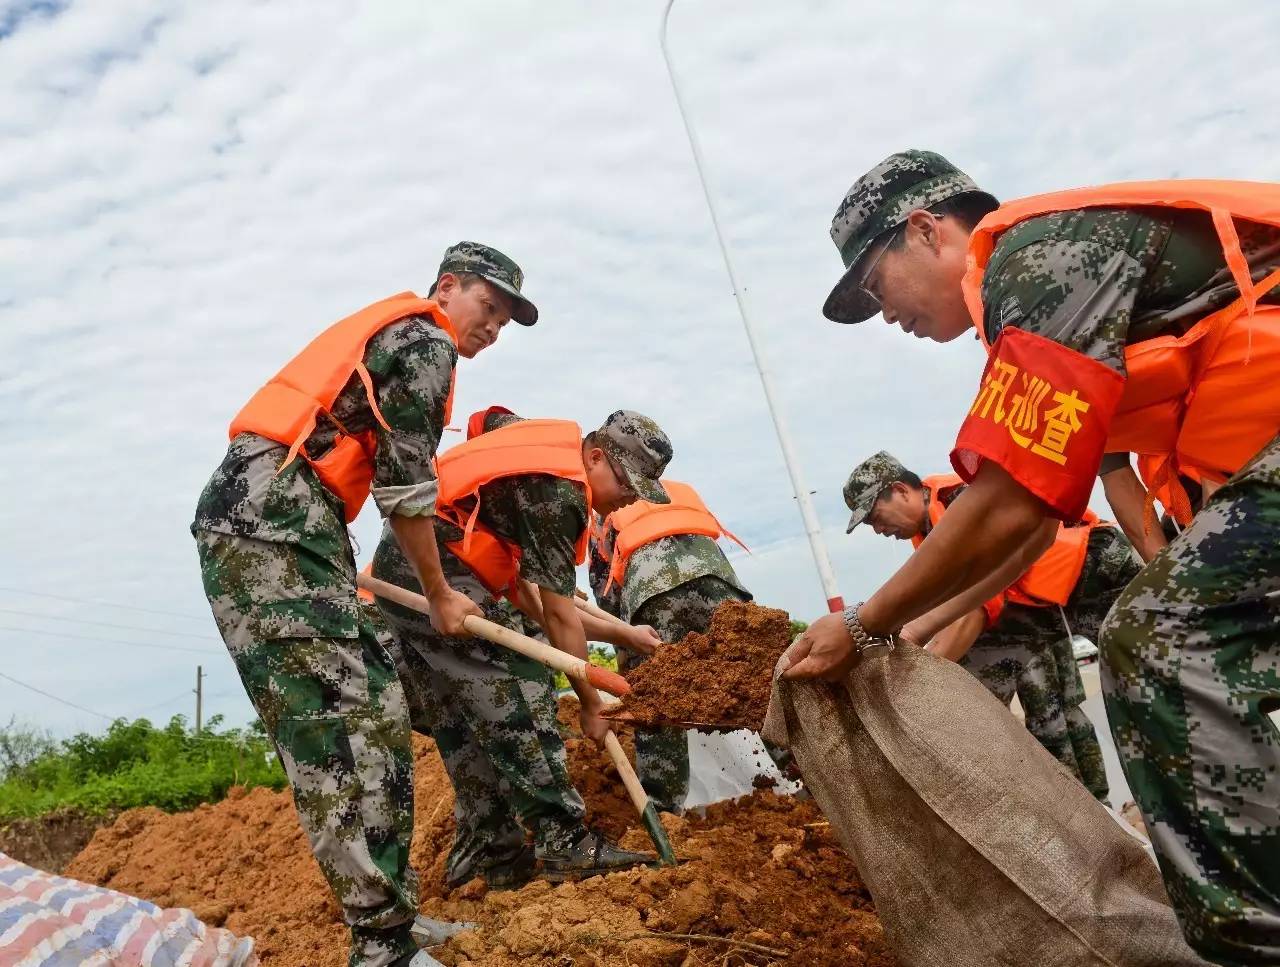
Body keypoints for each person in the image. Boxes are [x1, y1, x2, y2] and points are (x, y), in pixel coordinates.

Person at [788, 150, 1280, 964]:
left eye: (878, 287)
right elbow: (1026, 525)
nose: (885, 316)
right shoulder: (1031, 305)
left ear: (925, 229)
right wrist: (895, 631)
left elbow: (1012, 502)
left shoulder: (1040, 262)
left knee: (1161, 643)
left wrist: (869, 626)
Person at [193, 242, 536, 967]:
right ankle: (383, 944)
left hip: (289, 526)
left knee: (370, 708)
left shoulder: (404, 338)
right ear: (448, 288)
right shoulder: (424, 340)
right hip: (273, 523)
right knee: (345, 722)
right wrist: (438, 594)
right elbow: (407, 489)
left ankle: (392, 920)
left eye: (505, 321)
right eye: (488, 307)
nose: (493, 328)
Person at [369, 407, 671, 888]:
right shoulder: (562, 495)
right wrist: (592, 705)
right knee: (519, 687)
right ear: (595, 457)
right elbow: (556, 616)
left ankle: (494, 850)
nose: (626, 501)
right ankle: (563, 840)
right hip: (442, 575)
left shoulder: (536, 453)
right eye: (627, 485)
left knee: (460, 717)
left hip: (406, 565)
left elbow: (537, 604)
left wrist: (625, 635)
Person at [842, 451, 1140, 801]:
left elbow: (976, 608)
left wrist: (917, 666)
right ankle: (1057, 805)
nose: (878, 530)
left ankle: (1125, 796)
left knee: (1144, 678)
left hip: (1096, 574)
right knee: (967, 689)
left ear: (901, 490)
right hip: (1034, 607)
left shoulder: (962, 502)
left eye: (876, 517)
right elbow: (944, 603)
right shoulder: (927, 534)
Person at [587, 478, 757, 811]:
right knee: (754, 684)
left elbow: (607, 597)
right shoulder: (675, 489)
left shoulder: (606, 505)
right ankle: (801, 775)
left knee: (657, 697)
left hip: (654, 592)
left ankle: (664, 808)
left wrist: (629, 664)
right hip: (722, 581)